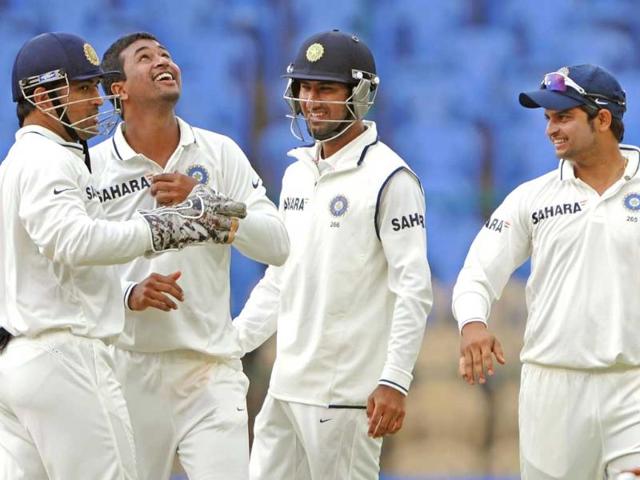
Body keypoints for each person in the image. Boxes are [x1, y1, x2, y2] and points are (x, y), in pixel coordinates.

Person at [0, 32, 248, 480]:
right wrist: (160, 229)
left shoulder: (17, 160)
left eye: (95, 88)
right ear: (41, 96)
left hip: (18, 359)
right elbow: (70, 241)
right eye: (80, 90)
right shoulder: (48, 158)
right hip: (64, 358)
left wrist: (125, 291)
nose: (96, 101)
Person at [233, 30, 433, 480]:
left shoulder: (391, 179)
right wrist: (231, 345)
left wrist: (395, 379)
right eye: (304, 87)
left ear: (360, 94)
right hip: (285, 388)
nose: (311, 100)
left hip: (344, 395)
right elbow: (280, 278)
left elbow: (413, 290)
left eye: (326, 88)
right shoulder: (297, 174)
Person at [90, 32, 289, 480]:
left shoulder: (218, 153)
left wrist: (209, 205)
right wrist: (128, 293)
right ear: (117, 89)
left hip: (209, 369)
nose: (164, 62)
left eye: (166, 54)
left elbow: (278, 244)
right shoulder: (93, 167)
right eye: (145, 58)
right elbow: (67, 264)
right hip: (127, 368)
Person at [452, 64, 640, 479]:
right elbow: (477, 272)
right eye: (548, 119)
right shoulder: (530, 198)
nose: (550, 129)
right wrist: (472, 324)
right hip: (553, 388)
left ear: (603, 119)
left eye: (563, 117)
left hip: (633, 385)